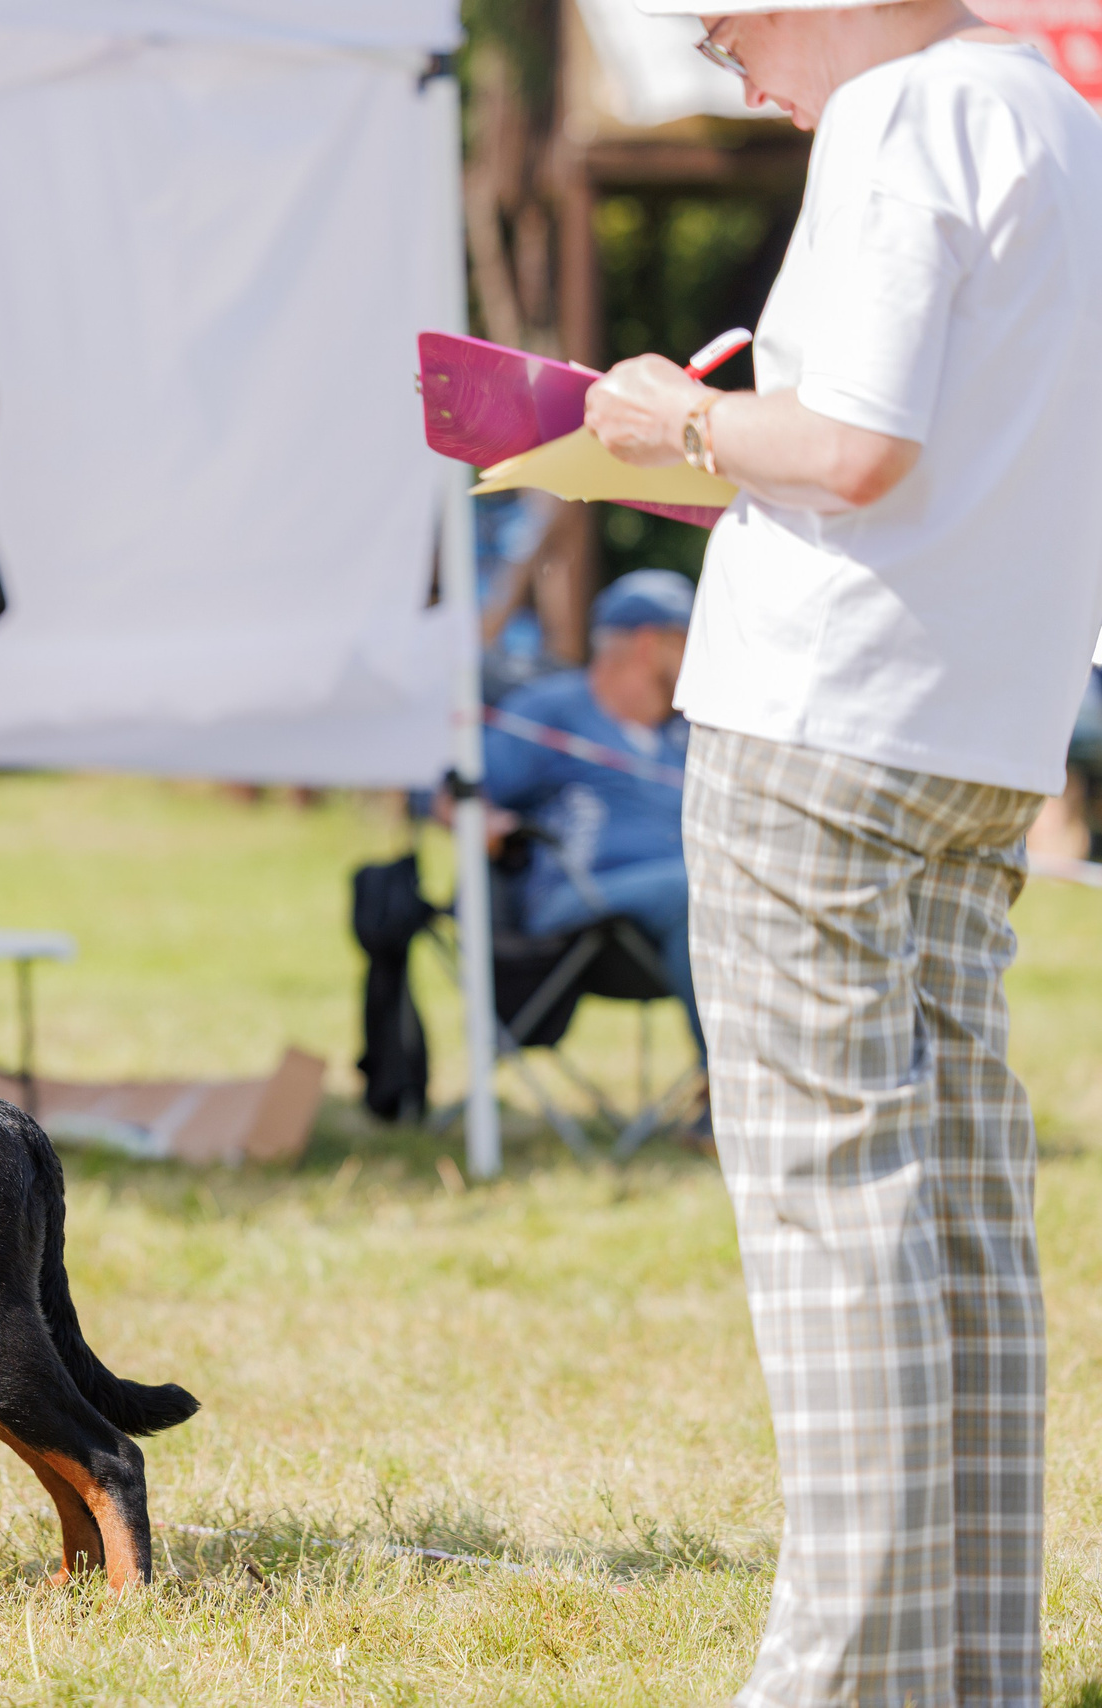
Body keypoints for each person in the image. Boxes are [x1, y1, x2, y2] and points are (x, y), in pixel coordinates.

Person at [590, 5, 1102, 1703]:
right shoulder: (1054, 118)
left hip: (826, 722)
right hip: (979, 726)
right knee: (956, 1211)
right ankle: (967, 1670)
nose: (725, 62)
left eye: (724, 24)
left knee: (837, 1215)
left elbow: (859, 446)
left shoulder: (899, 117)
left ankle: (841, 1675)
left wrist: (675, 417)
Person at [480, 570, 698, 1044]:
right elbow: (456, 788)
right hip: (582, 903)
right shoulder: (552, 712)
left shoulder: (686, 730)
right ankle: (727, 1090)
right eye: (685, 640)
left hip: (681, 914)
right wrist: (480, 818)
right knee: (700, 886)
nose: (699, 655)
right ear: (646, 645)